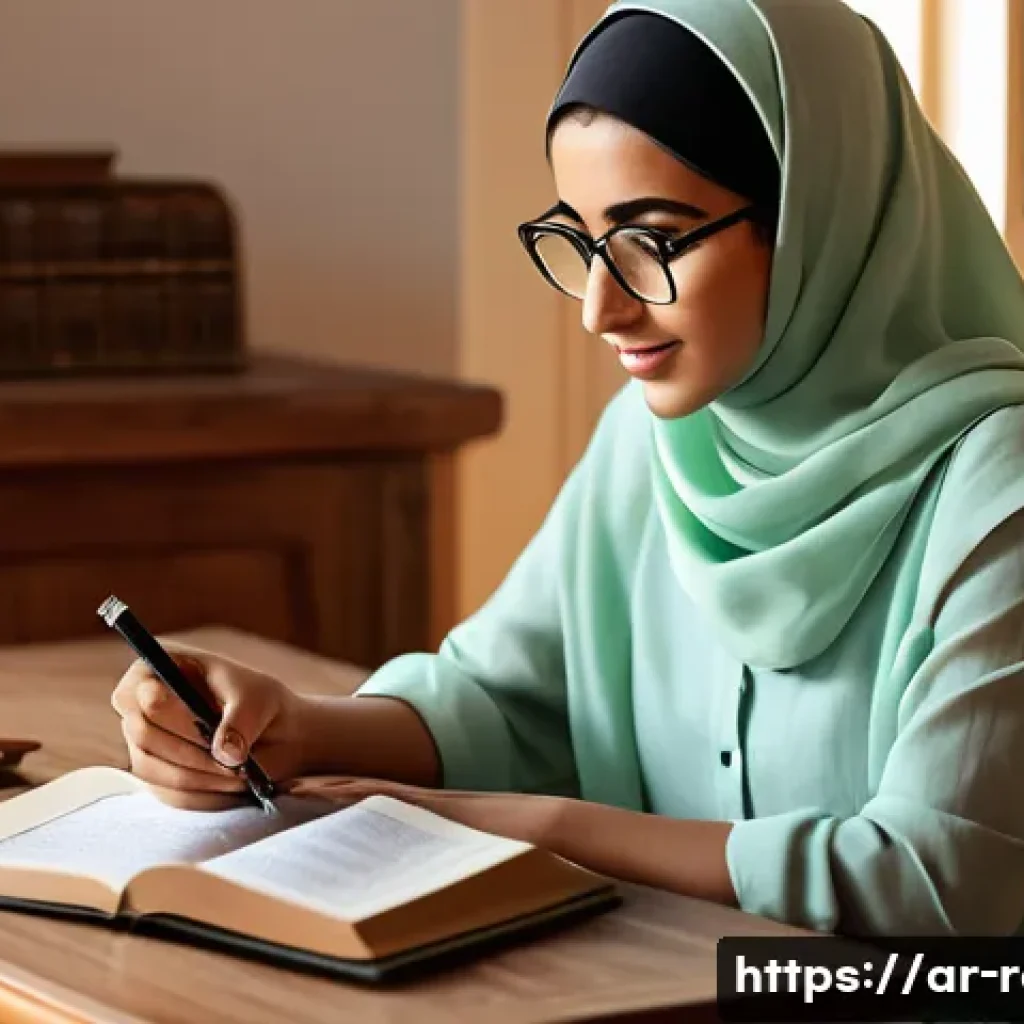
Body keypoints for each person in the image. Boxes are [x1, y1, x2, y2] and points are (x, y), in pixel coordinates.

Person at [111, 0, 1024, 939]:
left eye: (655, 240)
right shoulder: (656, 439)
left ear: (816, 214)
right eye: (583, 241)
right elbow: (507, 698)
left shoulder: (1000, 487)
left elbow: (944, 876)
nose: (600, 309)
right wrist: (292, 726)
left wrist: (549, 830)